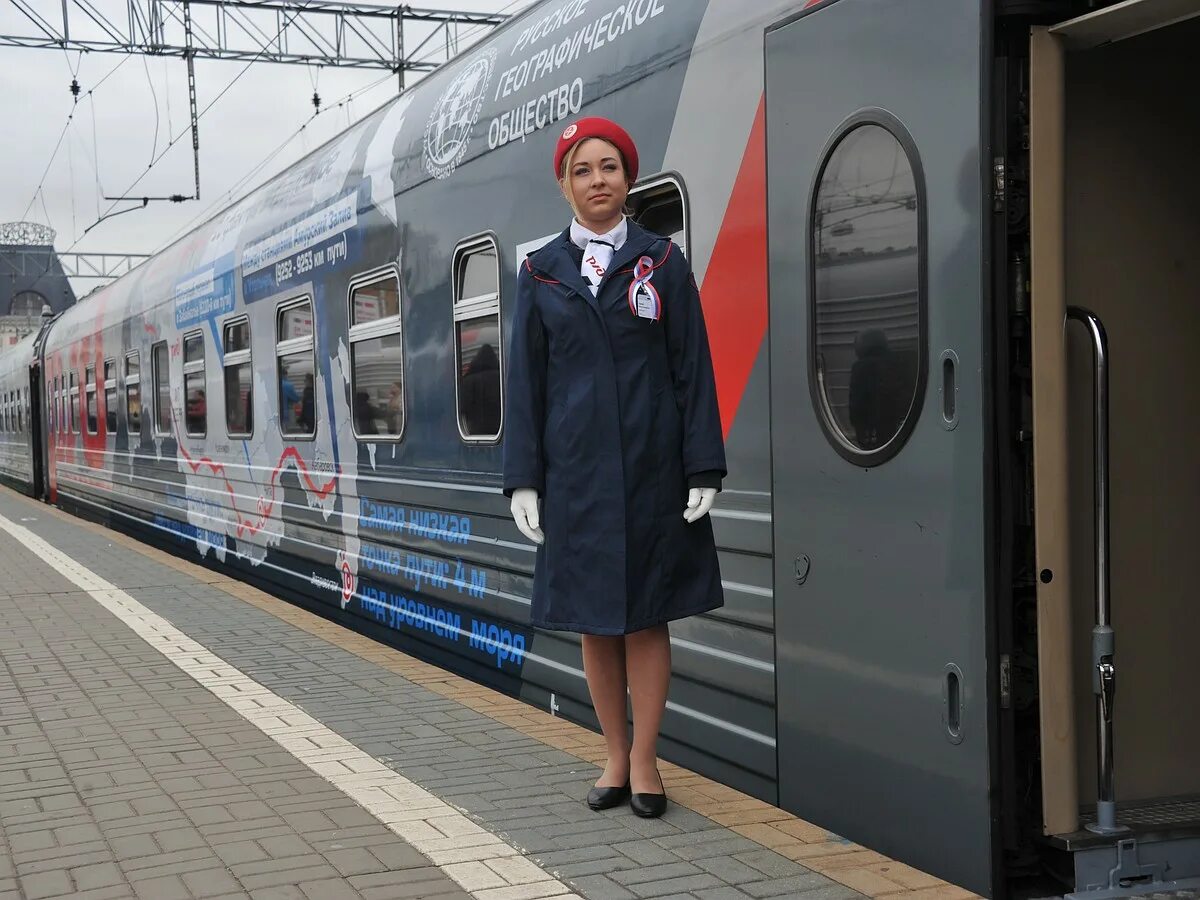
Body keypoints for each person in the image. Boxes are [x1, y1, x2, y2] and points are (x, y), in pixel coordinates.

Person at [503, 117, 725, 819]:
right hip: (576, 476)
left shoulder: (663, 261)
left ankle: (647, 760)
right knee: (596, 622)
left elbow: (692, 369)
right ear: (564, 183)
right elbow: (525, 385)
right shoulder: (539, 271)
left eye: (609, 167)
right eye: (583, 170)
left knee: (647, 617)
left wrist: (704, 466)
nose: (597, 181)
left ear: (628, 178)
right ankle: (612, 754)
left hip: (654, 468)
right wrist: (525, 478)